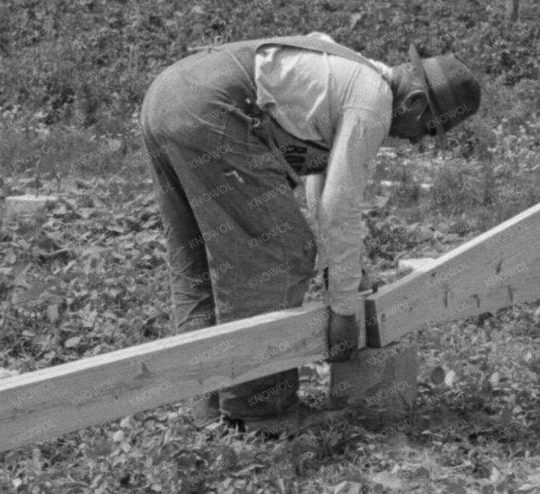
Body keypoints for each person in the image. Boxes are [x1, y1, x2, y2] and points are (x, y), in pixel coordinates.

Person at [139, 33, 483, 428]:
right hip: (211, 108)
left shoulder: (351, 73)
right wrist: (343, 312)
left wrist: (343, 277)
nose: (416, 140)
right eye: (426, 129)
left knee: (196, 259)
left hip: (168, 94)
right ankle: (260, 412)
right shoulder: (372, 103)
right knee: (281, 253)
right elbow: (341, 205)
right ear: (415, 103)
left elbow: (323, 188)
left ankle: (203, 407)